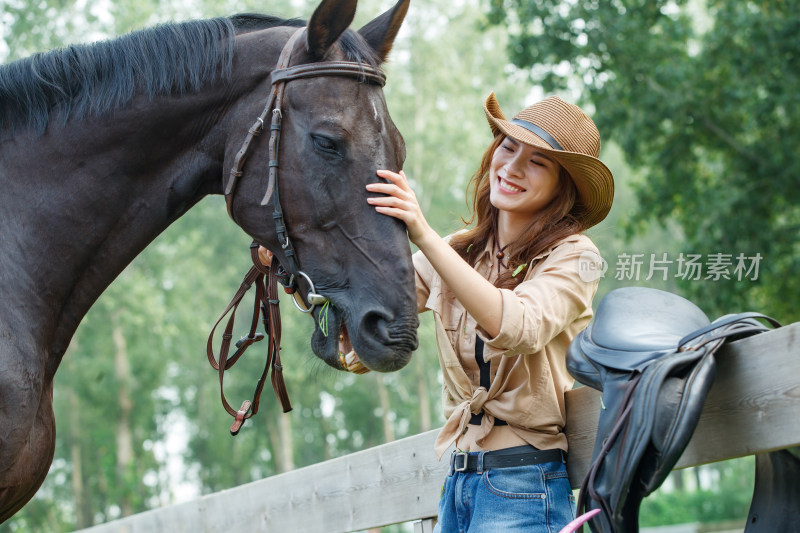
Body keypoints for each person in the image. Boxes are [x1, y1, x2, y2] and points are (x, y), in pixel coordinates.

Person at [364, 93, 614, 532]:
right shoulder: (461, 250)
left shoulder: (577, 256)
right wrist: (303, 272)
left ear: (564, 186)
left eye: (539, 162)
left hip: (524, 483)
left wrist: (422, 234)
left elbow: (519, 326)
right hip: (459, 484)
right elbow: (375, 310)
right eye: (508, 146)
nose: (513, 167)